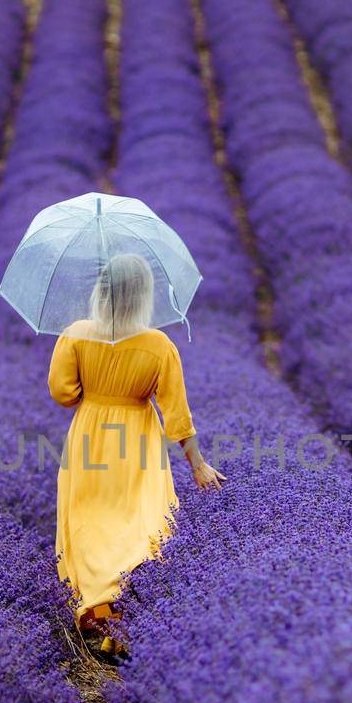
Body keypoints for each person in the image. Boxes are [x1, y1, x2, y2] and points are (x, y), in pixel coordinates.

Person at [49, 252, 224, 661]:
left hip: (90, 438)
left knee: (90, 520)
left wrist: (93, 390)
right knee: (140, 523)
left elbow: (62, 393)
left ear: (101, 291)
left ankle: (99, 607)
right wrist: (198, 465)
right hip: (137, 442)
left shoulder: (75, 334)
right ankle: (125, 618)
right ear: (145, 295)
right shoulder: (158, 345)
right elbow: (177, 414)